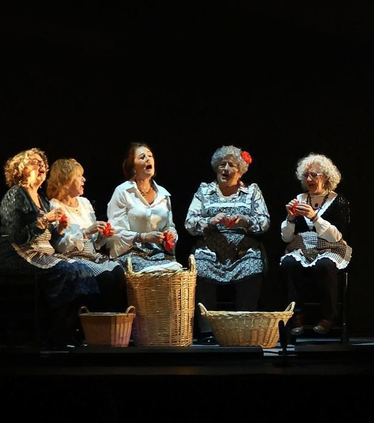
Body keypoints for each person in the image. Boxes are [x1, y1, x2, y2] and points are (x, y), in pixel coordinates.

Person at [0, 148, 122, 347]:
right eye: (36, 163)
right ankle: (56, 334)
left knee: (81, 269)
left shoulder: (41, 199)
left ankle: (66, 330)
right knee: (68, 271)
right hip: (17, 255)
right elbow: (17, 236)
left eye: (43, 163)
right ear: (21, 169)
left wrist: (59, 229)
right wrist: (45, 220)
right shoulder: (15, 195)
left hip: (42, 253)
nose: (43, 166)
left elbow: (49, 237)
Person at [185, 145, 271, 341]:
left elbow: (265, 222)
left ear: (239, 171)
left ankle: (242, 328)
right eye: (221, 164)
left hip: (242, 249)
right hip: (211, 248)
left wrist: (245, 221)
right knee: (201, 266)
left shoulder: (251, 191)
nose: (225, 168)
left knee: (253, 264)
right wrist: (210, 221)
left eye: (231, 165)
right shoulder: (204, 191)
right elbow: (189, 223)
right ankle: (208, 331)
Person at [280, 153, 353, 337]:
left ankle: (328, 316)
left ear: (326, 177)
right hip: (304, 246)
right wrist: (290, 218)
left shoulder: (338, 201)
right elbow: (286, 238)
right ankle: (296, 315)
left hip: (330, 246)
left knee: (324, 265)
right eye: (306, 175)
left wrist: (314, 216)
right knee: (289, 263)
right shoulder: (300, 198)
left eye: (314, 175)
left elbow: (336, 236)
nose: (309, 179)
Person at [44, 157, 124, 308]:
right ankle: (97, 324)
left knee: (119, 273)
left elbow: (95, 243)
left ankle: (117, 324)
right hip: (72, 258)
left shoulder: (85, 203)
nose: (84, 179)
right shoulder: (55, 206)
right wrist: (86, 232)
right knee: (105, 278)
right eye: (79, 176)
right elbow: (59, 245)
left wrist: (103, 235)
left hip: (92, 255)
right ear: (66, 180)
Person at [106, 142, 181, 272]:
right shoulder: (123, 191)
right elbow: (116, 231)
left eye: (150, 156)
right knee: (155, 272)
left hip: (157, 252)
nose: (148, 159)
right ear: (133, 167)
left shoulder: (163, 194)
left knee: (176, 271)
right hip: (130, 253)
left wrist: (170, 235)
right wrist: (144, 237)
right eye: (142, 157)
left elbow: (169, 225)